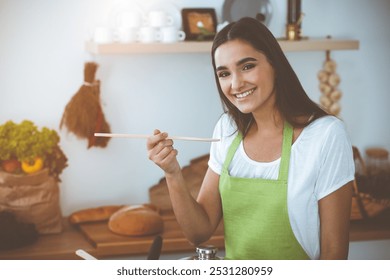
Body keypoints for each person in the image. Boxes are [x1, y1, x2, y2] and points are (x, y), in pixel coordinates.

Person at [147, 17, 354, 260]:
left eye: (247, 66)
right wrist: (172, 172)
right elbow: (198, 231)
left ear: (274, 64)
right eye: (224, 73)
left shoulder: (325, 135)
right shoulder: (227, 129)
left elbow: (334, 254)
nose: (235, 84)